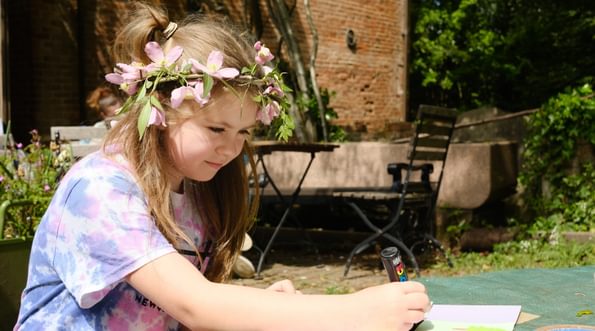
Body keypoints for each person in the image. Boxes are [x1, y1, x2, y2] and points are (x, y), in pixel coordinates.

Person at [15, 3, 430, 331]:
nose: (232, 148)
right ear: (161, 106)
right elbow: (195, 305)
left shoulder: (196, 189)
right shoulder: (101, 190)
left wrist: (265, 306)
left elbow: (189, 309)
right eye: (217, 128)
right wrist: (355, 313)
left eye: (245, 132)